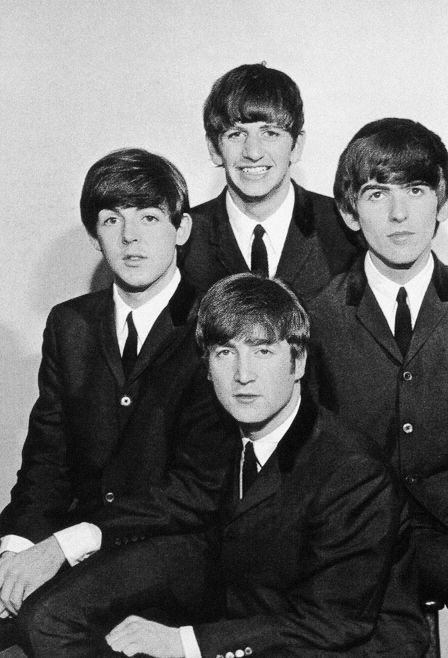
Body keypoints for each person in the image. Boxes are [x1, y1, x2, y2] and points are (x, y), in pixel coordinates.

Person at [18, 274, 427, 657]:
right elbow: (179, 504)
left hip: (344, 646)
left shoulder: (352, 472)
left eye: (262, 350)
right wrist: (67, 544)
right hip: (255, 617)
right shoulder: (226, 438)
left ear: (298, 362)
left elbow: (332, 622)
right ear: (208, 370)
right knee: (56, 616)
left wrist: (186, 642)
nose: (242, 375)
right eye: (225, 352)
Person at [0, 148, 222, 649]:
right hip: (84, 540)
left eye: (148, 217)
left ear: (181, 228)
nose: (130, 236)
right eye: (111, 219)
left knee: (47, 620)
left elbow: (197, 490)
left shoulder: (216, 325)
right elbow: (45, 462)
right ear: (95, 236)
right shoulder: (70, 324)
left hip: (179, 546)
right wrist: (13, 552)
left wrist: (62, 545)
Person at [308, 118, 448, 649]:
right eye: (376, 194)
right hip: (359, 539)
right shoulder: (315, 317)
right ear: (349, 212)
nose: (399, 214)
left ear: (443, 201)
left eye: (416, 191)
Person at [180, 62, 359, 302]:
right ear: (214, 149)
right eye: (236, 134)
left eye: (270, 134)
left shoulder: (345, 230)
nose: (253, 152)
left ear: (296, 146)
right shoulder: (183, 239)